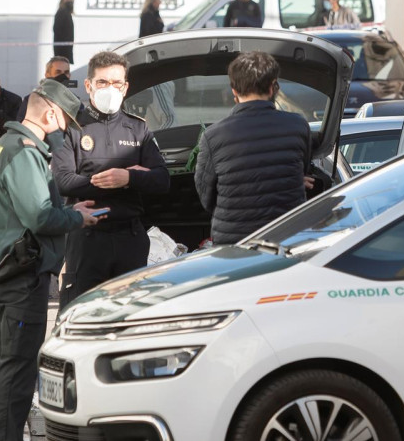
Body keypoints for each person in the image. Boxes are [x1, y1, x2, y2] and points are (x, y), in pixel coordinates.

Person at [0, 80, 102, 441]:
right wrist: (77, 218)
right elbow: (40, 217)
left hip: (3, 273)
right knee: (16, 374)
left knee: (2, 368)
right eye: (63, 122)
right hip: (20, 278)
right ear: (49, 114)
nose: (64, 131)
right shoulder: (24, 151)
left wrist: (69, 209)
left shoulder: (3, 146)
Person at [53, 51, 171, 305]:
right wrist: (115, 181)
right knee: (81, 312)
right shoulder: (73, 128)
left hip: (129, 237)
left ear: (125, 87)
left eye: (116, 83)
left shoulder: (138, 128)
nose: (110, 89)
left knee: (128, 317)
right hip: (87, 240)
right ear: (89, 86)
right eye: (103, 83)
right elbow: (62, 180)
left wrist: (128, 178)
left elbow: (162, 180)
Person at [195, 51, 313, 244]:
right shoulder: (298, 126)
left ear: (234, 90)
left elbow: (206, 197)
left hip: (233, 244)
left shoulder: (213, 136)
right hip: (286, 240)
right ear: (272, 86)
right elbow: (303, 168)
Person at [18, 57, 73, 122]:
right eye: (58, 72)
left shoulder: (74, 100)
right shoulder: (31, 100)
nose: (63, 76)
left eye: (66, 72)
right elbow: (22, 124)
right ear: (47, 75)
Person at [53, 0, 75, 64]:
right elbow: (56, 29)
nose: (69, 0)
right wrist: (64, 43)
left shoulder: (67, 13)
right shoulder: (62, 12)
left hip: (66, 47)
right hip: (62, 48)